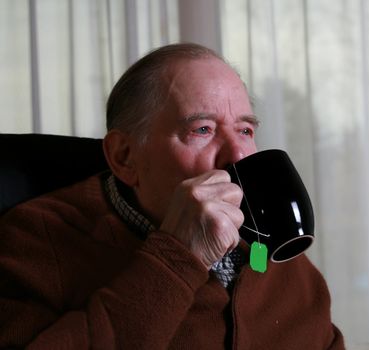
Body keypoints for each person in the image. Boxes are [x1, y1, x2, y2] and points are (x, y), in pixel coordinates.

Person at [0, 43, 344, 349]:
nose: (239, 156)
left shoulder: (267, 237)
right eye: (202, 129)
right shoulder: (35, 237)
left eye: (245, 129)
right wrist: (178, 254)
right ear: (124, 157)